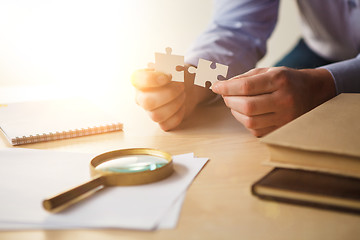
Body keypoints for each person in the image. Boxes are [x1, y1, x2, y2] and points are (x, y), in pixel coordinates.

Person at [132, 0, 360, 137]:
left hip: (323, 64)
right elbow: (236, 29)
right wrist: (192, 80)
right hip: (320, 50)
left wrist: (328, 84)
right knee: (270, 99)